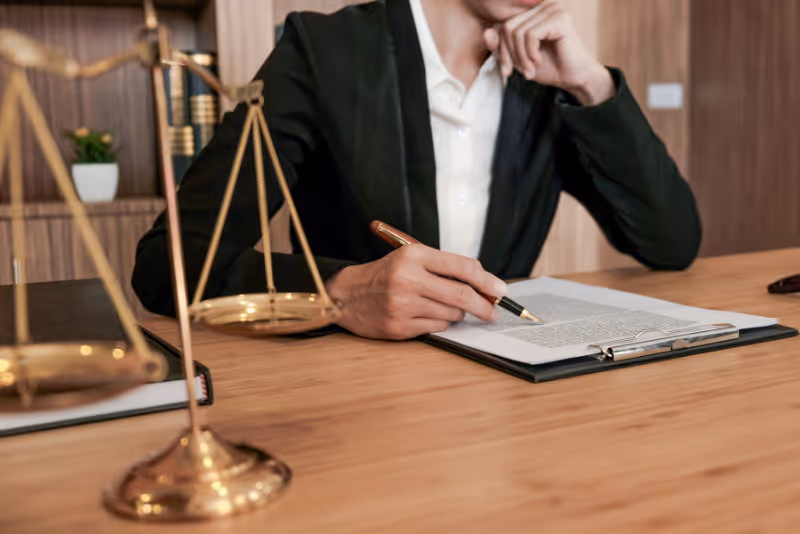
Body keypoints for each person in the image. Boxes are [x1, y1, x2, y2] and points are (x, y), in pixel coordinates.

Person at [133, 0, 701, 341]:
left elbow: (671, 243)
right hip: (357, 397)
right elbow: (168, 267)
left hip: (512, 394)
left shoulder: (548, 78)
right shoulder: (322, 50)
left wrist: (592, 86)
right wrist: (338, 292)